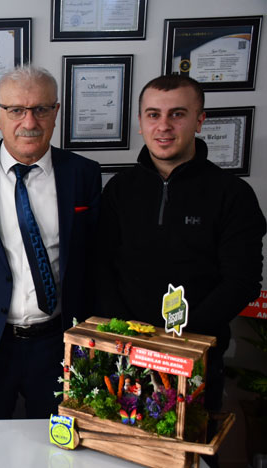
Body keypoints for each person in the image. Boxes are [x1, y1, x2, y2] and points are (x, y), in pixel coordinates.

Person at [97, 74, 266, 416]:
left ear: (199, 120)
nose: (164, 126)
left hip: (197, 355)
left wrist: (179, 341)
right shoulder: (118, 190)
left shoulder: (233, 194)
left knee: (191, 444)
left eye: (177, 114)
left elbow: (242, 281)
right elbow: (100, 267)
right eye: (153, 114)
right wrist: (130, 336)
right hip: (124, 355)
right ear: (141, 122)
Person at [0, 65, 101, 419]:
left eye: (41, 109)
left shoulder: (83, 173)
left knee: (56, 440)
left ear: (56, 112)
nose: (29, 121)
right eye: (16, 110)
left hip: (59, 343)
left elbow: (95, 260)